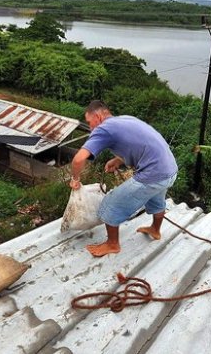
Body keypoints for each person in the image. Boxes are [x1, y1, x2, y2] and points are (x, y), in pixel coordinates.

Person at [70, 100, 178, 257]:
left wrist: (75, 178)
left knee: (110, 203)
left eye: (90, 122)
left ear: (98, 116)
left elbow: (79, 159)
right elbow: (138, 143)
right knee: (156, 200)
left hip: (153, 175)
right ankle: (155, 230)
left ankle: (112, 244)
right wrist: (118, 160)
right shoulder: (125, 119)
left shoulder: (104, 129)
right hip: (170, 171)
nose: (91, 127)